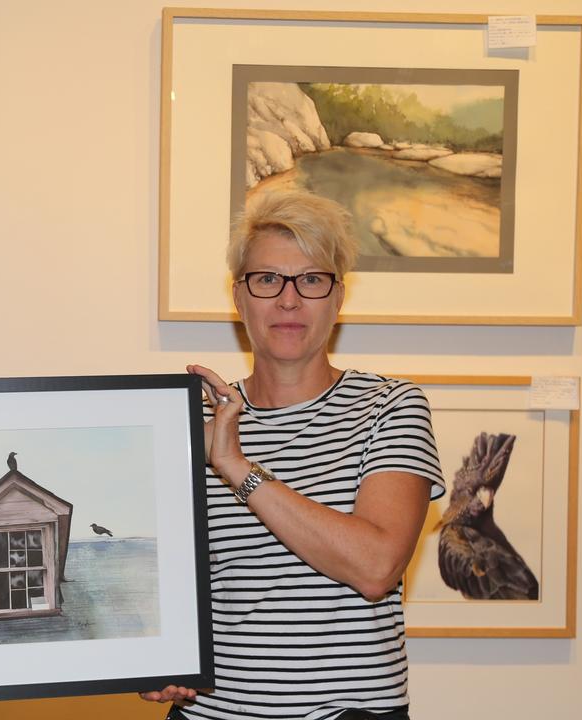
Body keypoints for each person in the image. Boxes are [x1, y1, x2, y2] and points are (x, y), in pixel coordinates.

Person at [142, 189, 445, 720]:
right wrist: (154, 657)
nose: (288, 300)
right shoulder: (187, 427)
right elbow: (159, 586)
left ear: (338, 296)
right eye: (267, 280)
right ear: (239, 298)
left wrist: (237, 467)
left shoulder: (390, 407)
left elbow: (375, 566)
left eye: (311, 279)